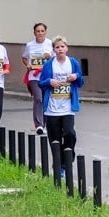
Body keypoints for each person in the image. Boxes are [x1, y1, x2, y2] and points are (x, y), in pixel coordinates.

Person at [38, 36, 84, 175]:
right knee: (55, 139)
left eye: (62, 47)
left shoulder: (73, 63)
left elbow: (81, 82)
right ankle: (58, 166)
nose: (60, 49)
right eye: (57, 47)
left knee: (70, 133)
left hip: (68, 107)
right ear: (53, 50)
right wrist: (50, 82)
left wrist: (76, 77)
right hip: (52, 108)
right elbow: (41, 83)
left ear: (66, 48)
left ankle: (67, 159)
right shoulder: (49, 65)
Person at [21, 22, 53, 135]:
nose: (40, 33)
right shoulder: (30, 45)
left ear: (45, 32)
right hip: (34, 76)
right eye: (38, 31)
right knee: (38, 99)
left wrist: (50, 57)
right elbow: (24, 58)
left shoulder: (50, 44)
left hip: (47, 76)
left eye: (42, 31)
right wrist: (28, 65)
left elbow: (56, 58)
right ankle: (39, 125)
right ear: (34, 32)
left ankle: (47, 123)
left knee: (46, 100)